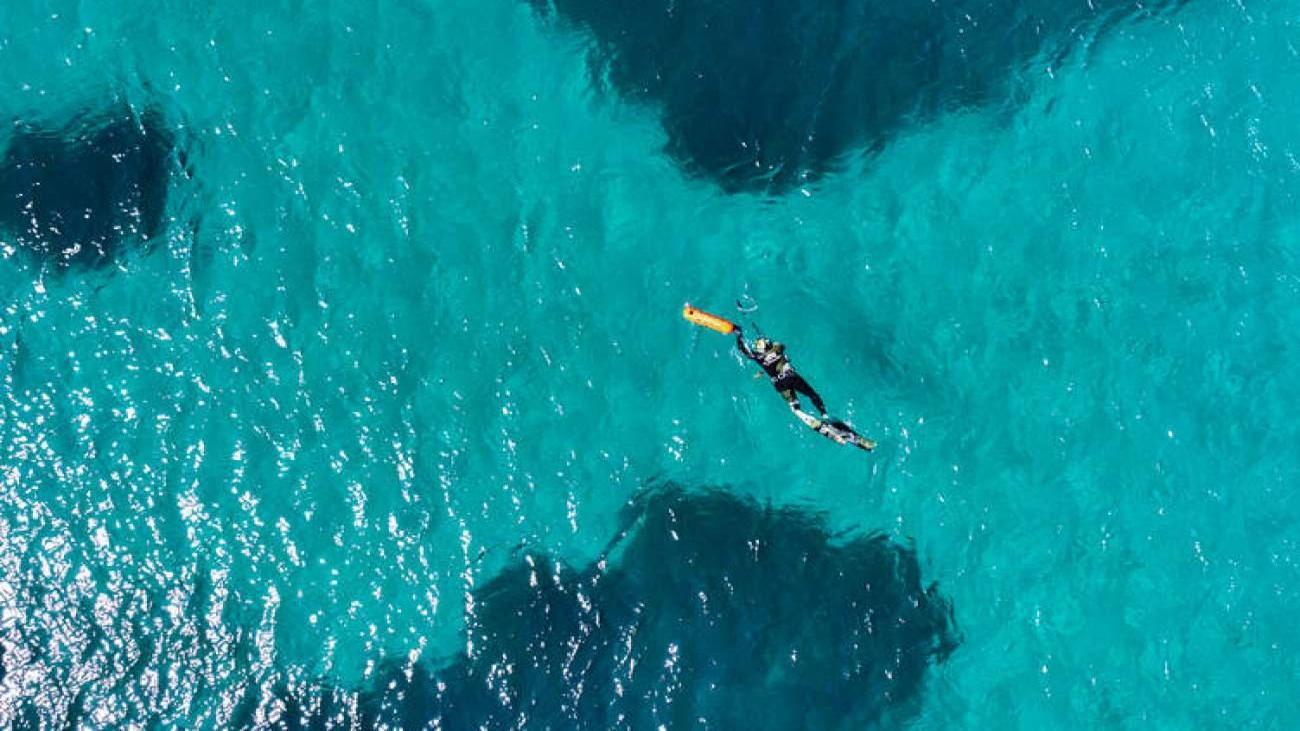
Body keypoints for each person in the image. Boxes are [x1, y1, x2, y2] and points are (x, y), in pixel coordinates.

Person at [735, 329, 877, 451]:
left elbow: (745, 351)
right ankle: (825, 415)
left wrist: (738, 334)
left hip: (780, 384)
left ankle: (802, 414)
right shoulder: (778, 348)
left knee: (795, 408)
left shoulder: (758, 357)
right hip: (792, 377)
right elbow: (780, 345)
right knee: (813, 395)